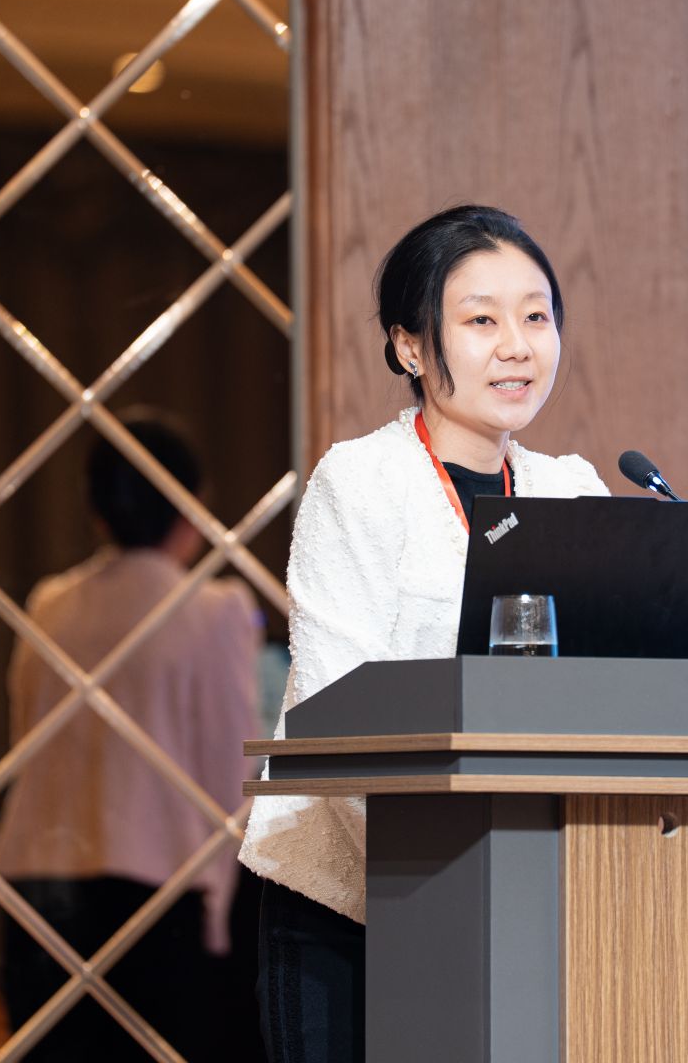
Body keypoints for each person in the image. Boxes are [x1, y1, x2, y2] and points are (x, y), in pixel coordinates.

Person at [237, 205, 609, 1062]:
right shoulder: (361, 481)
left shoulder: (572, 491)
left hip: (521, 899)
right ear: (409, 346)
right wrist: (453, 874)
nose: (517, 346)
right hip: (351, 904)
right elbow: (334, 712)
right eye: (481, 321)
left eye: (536, 316)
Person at [0, 415, 262, 1061]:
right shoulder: (212, 609)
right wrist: (222, 923)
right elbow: (232, 775)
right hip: (159, 890)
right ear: (190, 506)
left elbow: (26, 737)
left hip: (36, 885)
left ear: (97, 510)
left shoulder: (50, 603)